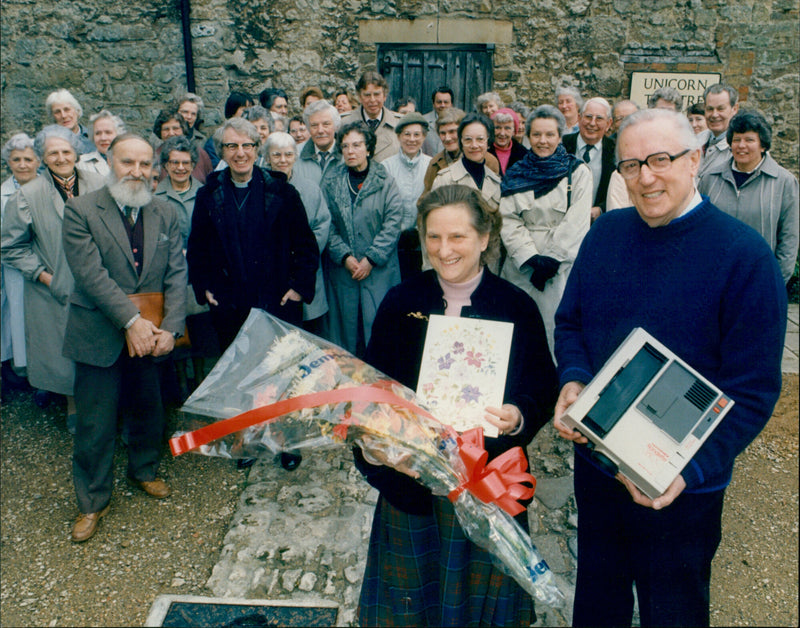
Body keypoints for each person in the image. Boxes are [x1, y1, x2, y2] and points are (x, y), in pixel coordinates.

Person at [552, 109, 787, 627]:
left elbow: (753, 390)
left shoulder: (745, 258)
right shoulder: (605, 236)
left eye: (660, 160)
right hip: (599, 469)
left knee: (673, 612)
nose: (646, 177)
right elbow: (570, 324)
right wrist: (572, 378)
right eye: (632, 165)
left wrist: (691, 470)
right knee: (598, 605)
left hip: (681, 489)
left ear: (696, 159)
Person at [355, 183, 558, 627]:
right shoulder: (402, 302)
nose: (443, 250)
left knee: (481, 603)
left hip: (486, 486)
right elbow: (371, 389)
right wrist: (378, 439)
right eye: (433, 237)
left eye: (457, 237)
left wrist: (518, 413)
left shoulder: (516, 306)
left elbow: (543, 385)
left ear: (485, 238)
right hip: (413, 487)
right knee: (412, 601)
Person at [61, 133, 187, 542]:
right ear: (109, 163)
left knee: (148, 407)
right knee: (95, 424)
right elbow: (90, 275)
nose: (135, 172)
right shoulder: (80, 210)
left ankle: (144, 470)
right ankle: (92, 501)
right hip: (100, 333)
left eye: (144, 164)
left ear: (154, 169)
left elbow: (176, 274)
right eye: (126, 162)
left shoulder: (164, 212)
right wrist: (131, 321)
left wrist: (170, 327)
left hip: (151, 332)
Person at [2, 125, 105, 427]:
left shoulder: (99, 183)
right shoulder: (27, 195)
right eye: (52, 153)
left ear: (76, 153)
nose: (61, 158)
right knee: (65, 352)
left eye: (66, 151)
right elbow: (11, 247)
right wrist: (45, 277)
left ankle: (103, 405)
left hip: (98, 281)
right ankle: (73, 406)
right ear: (43, 159)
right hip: (53, 288)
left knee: (100, 347)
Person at [186, 117, 319, 350]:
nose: (240, 153)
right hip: (228, 306)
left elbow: (306, 246)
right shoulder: (208, 196)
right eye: (232, 146)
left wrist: (298, 288)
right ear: (222, 153)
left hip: (278, 302)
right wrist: (205, 287)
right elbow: (198, 249)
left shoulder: (283, 193)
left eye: (247, 145)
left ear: (257, 150)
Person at [499, 105, 592, 354]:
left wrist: (550, 261)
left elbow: (577, 221)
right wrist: (529, 257)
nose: (543, 141)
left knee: (554, 334)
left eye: (550, 134)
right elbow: (507, 217)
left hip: (558, 269)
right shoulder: (517, 173)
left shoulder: (578, 172)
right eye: (537, 134)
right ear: (528, 136)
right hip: (521, 268)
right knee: (516, 333)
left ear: (560, 136)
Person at [320, 121, 403, 356]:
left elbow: (393, 222)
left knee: (379, 332)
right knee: (345, 334)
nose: (350, 151)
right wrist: (344, 256)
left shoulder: (385, 181)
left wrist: (371, 258)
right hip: (344, 273)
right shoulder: (331, 182)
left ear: (368, 149)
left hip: (379, 272)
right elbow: (327, 223)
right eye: (345, 146)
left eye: (356, 145)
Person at [698, 110, 799, 284]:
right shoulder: (710, 178)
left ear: (763, 145)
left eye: (749, 140)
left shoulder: (784, 182)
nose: (741, 145)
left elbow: (789, 239)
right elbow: (698, 230)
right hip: (713, 279)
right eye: (736, 139)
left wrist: (775, 283)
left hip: (759, 280)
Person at [265, 131, 331, 334]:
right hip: (272, 273)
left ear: (295, 156)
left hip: (306, 271)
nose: (282, 160)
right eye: (276, 155)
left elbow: (322, 225)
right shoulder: (261, 187)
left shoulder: (310, 189)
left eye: (288, 154)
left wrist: (301, 259)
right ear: (267, 158)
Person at [1, 133, 40, 388]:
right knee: (16, 318)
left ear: (38, 161)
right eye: (17, 159)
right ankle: (24, 372)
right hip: (14, 267)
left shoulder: (47, 187)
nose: (23, 164)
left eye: (28, 159)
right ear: (9, 162)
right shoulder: (2, 193)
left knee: (42, 320)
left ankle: (45, 377)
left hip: (44, 264)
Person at [382, 112, 433, 280]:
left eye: (417, 135)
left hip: (423, 241)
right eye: (407, 134)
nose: (412, 139)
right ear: (398, 136)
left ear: (424, 137)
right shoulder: (386, 166)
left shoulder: (431, 165)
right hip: (394, 242)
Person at [431, 113, 502, 214]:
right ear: (461, 142)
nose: (474, 145)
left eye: (480, 139)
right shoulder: (445, 180)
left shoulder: (495, 181)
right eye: (468, 140)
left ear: (488, 142)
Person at [422, 108, 501, 194]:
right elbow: (426, 199)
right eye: (443, 133)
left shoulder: (489, 161)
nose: (447, 138)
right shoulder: (435, 163)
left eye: (452, 132)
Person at [562, 97, 616, 219]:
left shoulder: (615, 150)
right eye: (588, 117)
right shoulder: (563, 145)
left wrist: (601, 208)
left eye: (599, 119)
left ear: (608, 124)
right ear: (579, 118)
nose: (592, 123)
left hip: (598, 223)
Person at [340, 71, 401, 162]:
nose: (372, 100)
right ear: (359, 97)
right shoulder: (345, 123)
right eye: (367, 95)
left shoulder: (399, 124)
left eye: (377, 94)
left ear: (385, 96)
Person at [153, 110, 213, 183]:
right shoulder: (155, 157)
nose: (171, 133)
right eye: (166, 129)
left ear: (183, 130)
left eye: (175, 128)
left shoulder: (200, 154)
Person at [293, 99, 342, 185]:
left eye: (326, 124)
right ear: (308, 128)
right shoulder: (295, 154)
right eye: (314, 125)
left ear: (336, 126)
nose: (320, 130)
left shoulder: (347, 153)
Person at [697, 83, 739, 179]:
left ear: (734, 109)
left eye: (720, 109)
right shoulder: (695, 141)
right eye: (710, 109)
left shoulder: (742, 147)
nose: (714, 115)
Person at [204, 91, 255, 167]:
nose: (249, 114)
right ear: (232, 112)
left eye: (251, 110)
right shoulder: (215, 141)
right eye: (244, 110)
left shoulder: (254, 137)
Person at [45, 88, 94, 153]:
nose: (63, 115)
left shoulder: (94, 138)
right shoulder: (47, 143)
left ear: (77, 111)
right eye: (57, 112)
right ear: (53, 117)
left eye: (67, 109)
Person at [78, 110, 125, 176]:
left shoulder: (132, 160)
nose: (103, 138)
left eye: (108, 132)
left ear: (118, 134)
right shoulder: (81, 163)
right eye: (98, 133)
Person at [489, 108, 527, 176]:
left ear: (514, 131)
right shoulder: (485, 151)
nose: (502, 133)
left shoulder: (524, 154)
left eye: (507, 128)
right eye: (497, 128)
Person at [421, 86, 454, 156]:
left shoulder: (458, 122)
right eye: (439, 102)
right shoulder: (423, 121)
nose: (442, 105)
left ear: (451, 104)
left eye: (446, 102)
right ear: (433, 104)